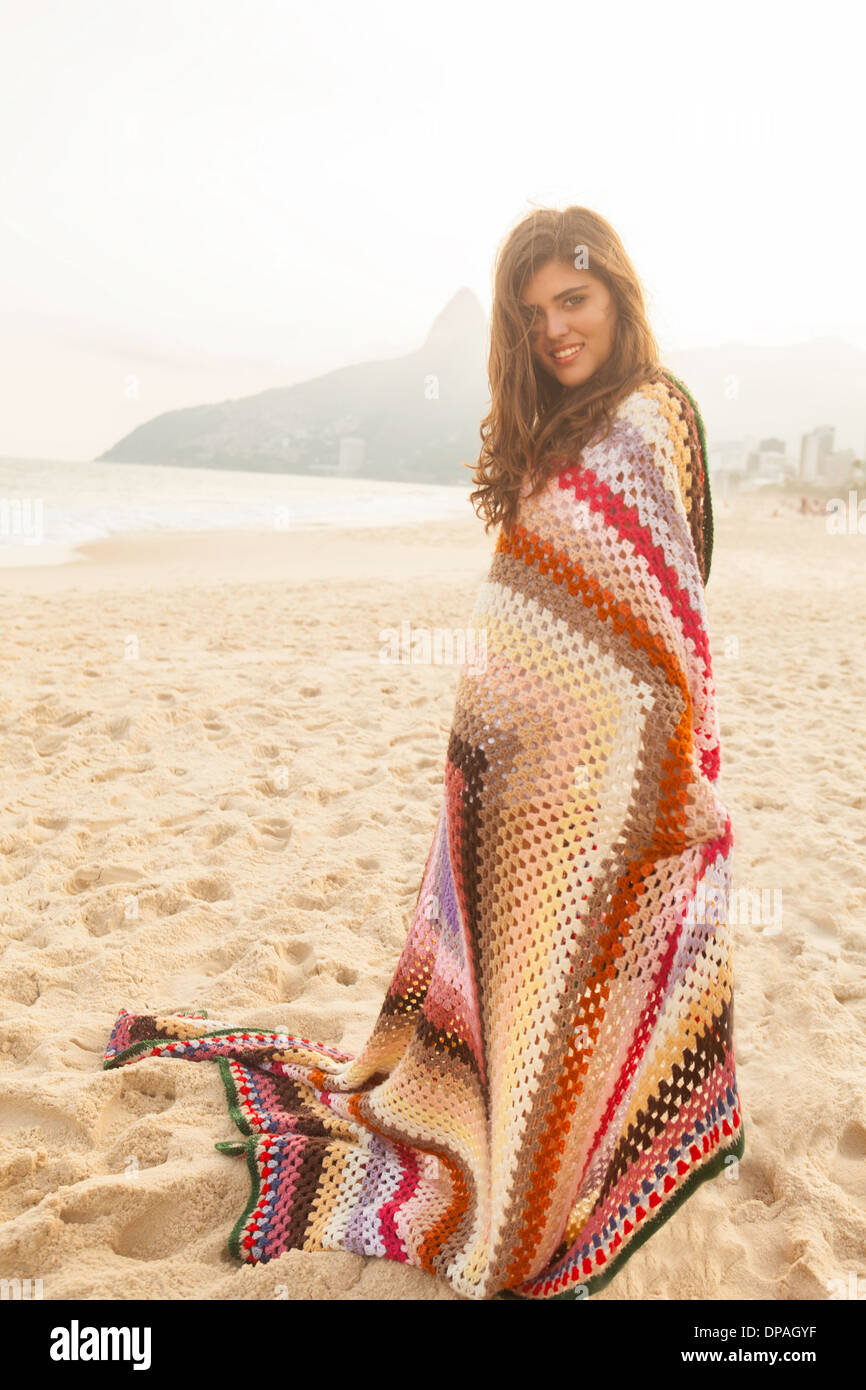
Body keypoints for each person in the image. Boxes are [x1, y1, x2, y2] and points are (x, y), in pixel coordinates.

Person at [104, 205, 743, 1301]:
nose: (553, 328)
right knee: (514, 996)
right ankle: (525, 1162)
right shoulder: (554, 431)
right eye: (532, 312)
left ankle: (553, 1182)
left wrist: (660, 758)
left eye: (572, 301)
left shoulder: (647, 415)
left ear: (617, 296)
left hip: (608, 776)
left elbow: (664, 620)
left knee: (579, 983)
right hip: (507, 773)